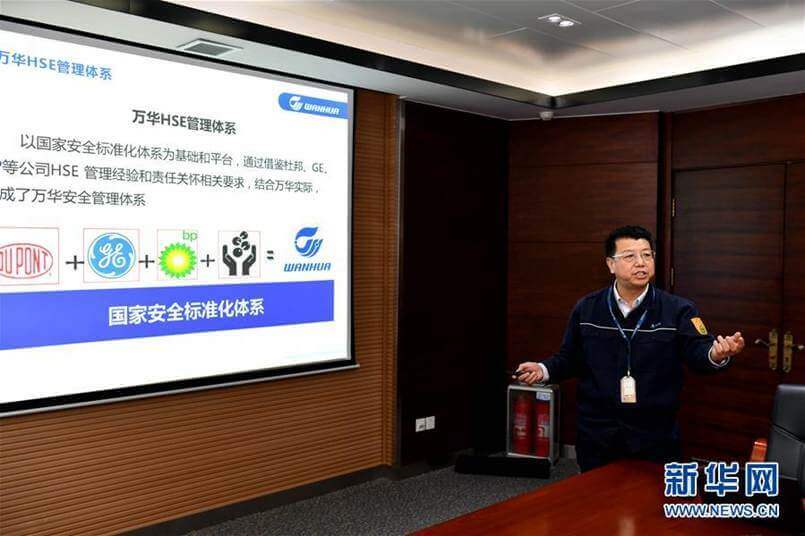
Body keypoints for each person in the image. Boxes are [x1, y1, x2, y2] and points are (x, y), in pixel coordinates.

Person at [515, 225, 745, 472]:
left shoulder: (678, 310)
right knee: (597, 493)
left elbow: (698, 352)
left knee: (653, 494)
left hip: (655, 431)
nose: (641, 263)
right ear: (610, 264)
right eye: (629, 256)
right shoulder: (587, 308)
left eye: (647, 255)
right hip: (598, 430)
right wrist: (543, 369)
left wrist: (716, 354)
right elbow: (570, 357)